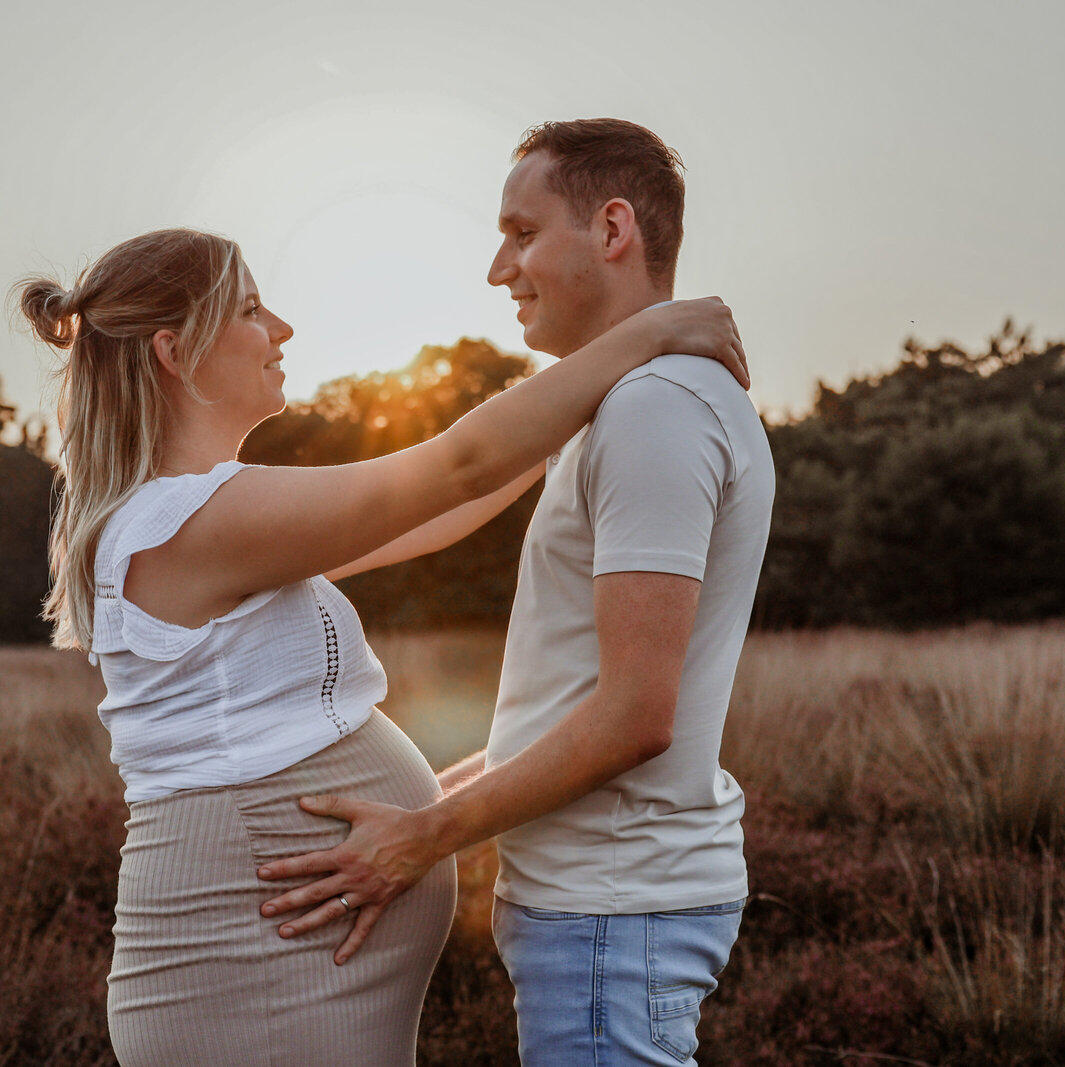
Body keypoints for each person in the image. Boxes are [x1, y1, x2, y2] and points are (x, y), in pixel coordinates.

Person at [14, 226, 747, 1067]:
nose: (281, 328)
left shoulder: (208, 517)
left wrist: (581, 409)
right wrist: (646, 334)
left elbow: (440, 513)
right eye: (251, 309)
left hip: (284, 955)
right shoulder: (190, 522)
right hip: (249, 966)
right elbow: (456, 467)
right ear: (175, 351)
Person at [258, 119, 775, 1065]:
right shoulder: (619, 407)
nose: (501, 268)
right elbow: (569, 689)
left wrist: (423, 837)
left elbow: (633, 717)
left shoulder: (658, 411)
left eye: (522, 232)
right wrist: (412, 806)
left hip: (615, 913)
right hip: (601, 911)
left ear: (612, 229)